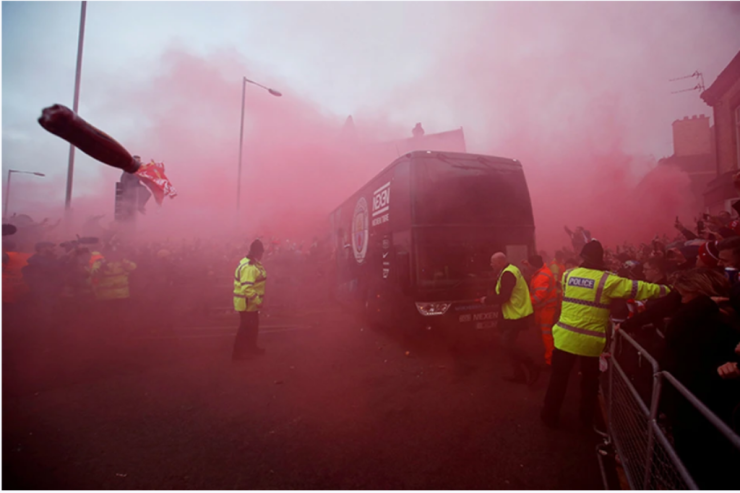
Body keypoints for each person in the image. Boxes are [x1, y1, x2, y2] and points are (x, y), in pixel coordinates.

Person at [540, 240, 670, 429]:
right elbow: (640, 289)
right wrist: (668, 290)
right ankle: (585, 419)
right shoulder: (608, 280)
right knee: (589, 382)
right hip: (590, 341)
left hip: (564, 337)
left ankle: (549, 415)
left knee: (558, 379)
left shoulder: (568, 275)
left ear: (582, 256)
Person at [480, 252, 539, 385]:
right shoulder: (510, 270)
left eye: (492, 262)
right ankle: (518, 374)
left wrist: (487, 300)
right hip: (510, 314)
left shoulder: (508, 273)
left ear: (500, 262)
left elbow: (504, 296)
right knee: (508, 345)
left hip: (515, 315)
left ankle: (533, 366)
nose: (490, 264)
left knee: (507, 343)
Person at [232, 239, 267, 360]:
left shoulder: (249, 262)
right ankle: (237, 354)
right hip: (247, 303)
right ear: (259, 253)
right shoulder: (249, 267)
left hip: (250, 303)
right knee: (245, 329)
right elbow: (247, 288)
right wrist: (258, 301)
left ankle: (252, 347)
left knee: (253, 326)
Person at [527, 255, 559, 367]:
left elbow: (538, 297)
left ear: (533, 266)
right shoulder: (543, 271)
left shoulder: (542, 277)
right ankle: (549, 355)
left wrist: (524, 303)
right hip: (544, 309)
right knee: (544, 333)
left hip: (547, 309)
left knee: (547, 335)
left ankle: (550, 360)